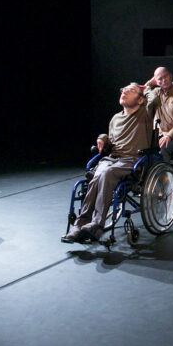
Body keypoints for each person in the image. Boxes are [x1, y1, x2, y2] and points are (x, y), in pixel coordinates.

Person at [62, 83, 152, 243]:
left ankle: (97, 223)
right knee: (97, 174)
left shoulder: (144, 114)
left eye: (131, 91)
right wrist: (103, 138)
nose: (124, 91)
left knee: (105, 173)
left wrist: (146, 86)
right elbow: (112, 143)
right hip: (112, 159)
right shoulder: (115, 119)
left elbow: (154, 98)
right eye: (123, 89)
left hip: (131, 160)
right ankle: (80, 224)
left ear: (140, 100)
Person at [143, 67, 173, 165]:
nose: (164, 80)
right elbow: (142, 92)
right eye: (160, 79)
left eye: (166, 76)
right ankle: (149, 177)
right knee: (142, 147)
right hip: (159, 135)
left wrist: (169, 135)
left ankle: (165, 177)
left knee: (163, 148)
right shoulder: (156, 93)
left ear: (170, 76)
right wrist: (150, 83)